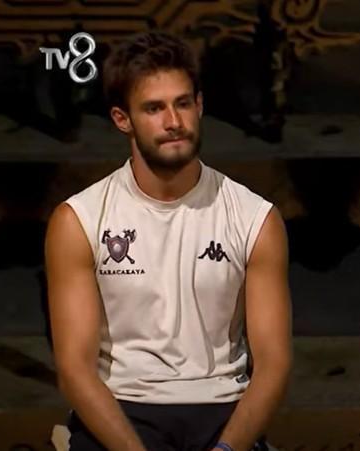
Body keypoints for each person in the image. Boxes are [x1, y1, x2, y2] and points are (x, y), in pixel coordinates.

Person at [44, 31, 292, 451]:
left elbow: (274, 363)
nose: (173, 121)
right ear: (122, 119)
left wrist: (227, 450)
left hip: (223, 412)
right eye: (154, 108)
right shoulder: (78, 221)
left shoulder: (255, 218)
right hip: (121, 410)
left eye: (182, 103)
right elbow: (74, 371)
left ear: (200, 106)